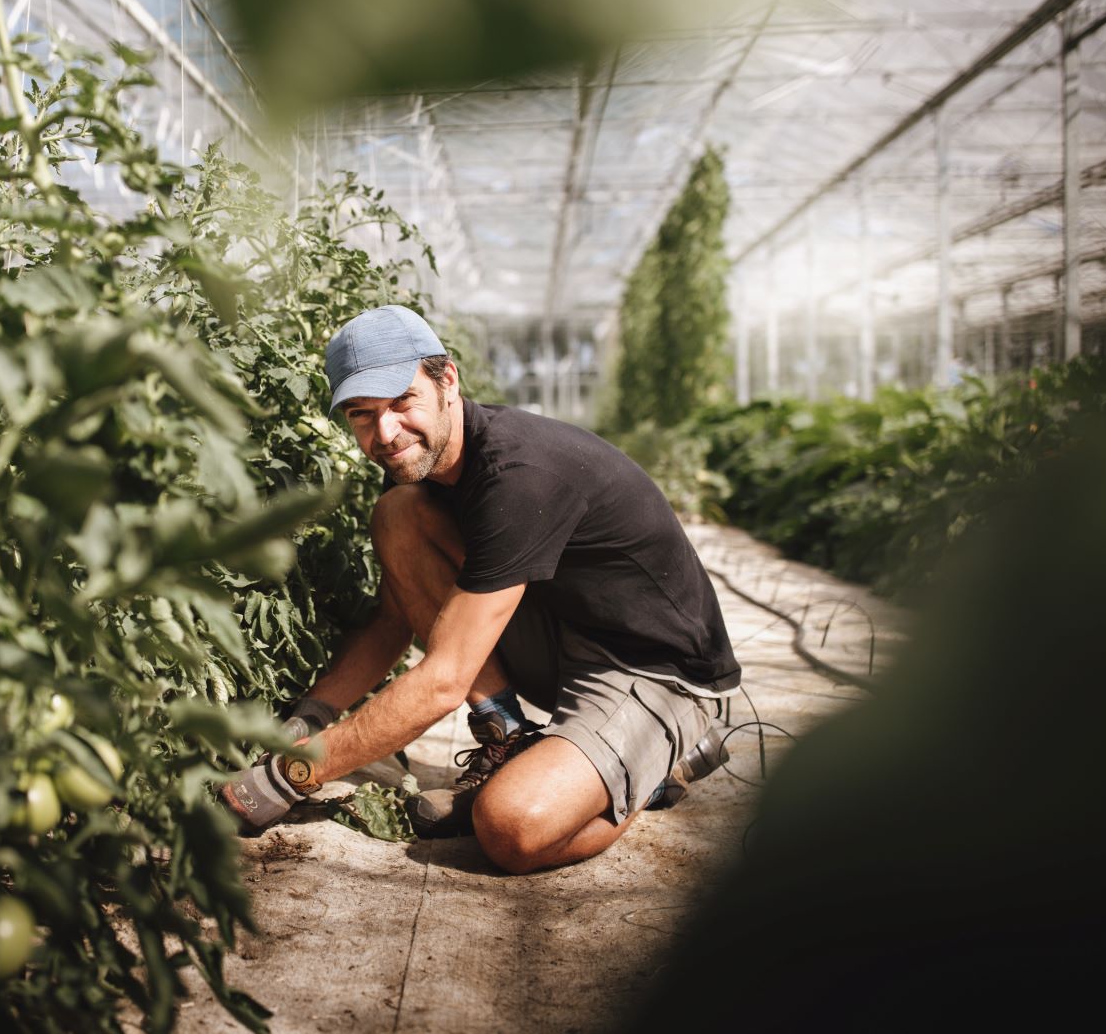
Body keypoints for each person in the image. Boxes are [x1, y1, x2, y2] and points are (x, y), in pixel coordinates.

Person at [220, 305, 741, 874]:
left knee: (510, 828)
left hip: (655, 669)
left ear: (448, 381)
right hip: (564, 631)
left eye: (401, 401)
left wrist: (292, 773)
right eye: (362, 414)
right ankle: (509, 738)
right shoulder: (420, 462)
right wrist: (308, 718)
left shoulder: (520, 476)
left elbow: (442, 683)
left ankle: (655, 767)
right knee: (398, 514)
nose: (386, 432)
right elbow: (395, 620)